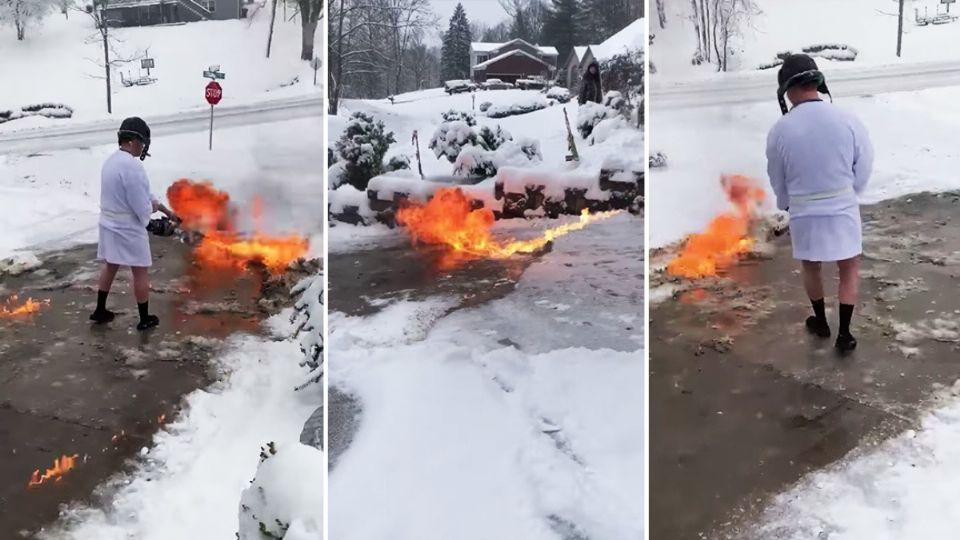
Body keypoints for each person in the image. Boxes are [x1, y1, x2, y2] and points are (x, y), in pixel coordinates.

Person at [766, 54, 873, 354]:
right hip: (842, 206)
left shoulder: (780, 130)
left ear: (787, 90)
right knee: (849, 266)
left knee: (811, 266)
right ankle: (845, 334)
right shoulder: (847, 119)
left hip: (804, 210)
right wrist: (853, 191)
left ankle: (821, 321)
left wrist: (786, 203)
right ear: (817, 83)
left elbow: (777, 174)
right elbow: (864, 161)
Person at [90, 117, 179, 330]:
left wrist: (166, 210)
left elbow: (144, 195)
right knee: (140, 271)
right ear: (133, 141)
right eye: (143, 143)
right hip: (128, 228)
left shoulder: (111, 161)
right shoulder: (132, 166)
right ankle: (144, 318)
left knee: (110, 265)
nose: (143, 148)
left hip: (109, 224)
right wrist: (152, 224)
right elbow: (140, 204)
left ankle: (100, 310)